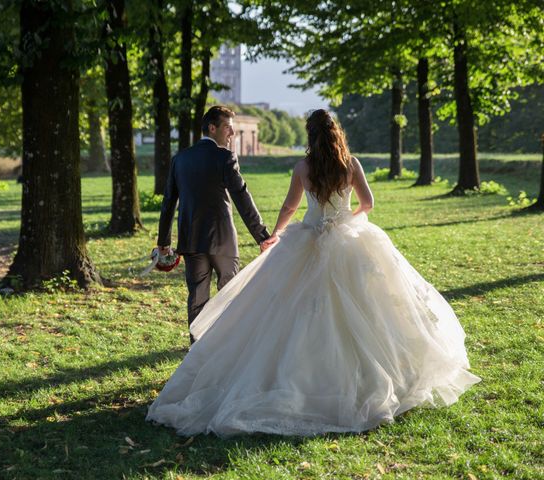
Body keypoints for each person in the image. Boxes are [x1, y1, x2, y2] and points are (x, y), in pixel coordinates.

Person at [146, 109, 480, 437]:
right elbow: (369, 202)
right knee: (366, 307)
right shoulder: (351, 164)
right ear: (336, 133)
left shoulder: (303, 167)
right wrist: (349, 219)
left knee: (292, 309)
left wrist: (273, 235)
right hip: (348, 238)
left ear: (311, 136)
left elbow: (291, 206)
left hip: (308, 236)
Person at [157, 106, 271, 344]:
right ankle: (227, 348)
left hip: (191, 240)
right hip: (223, 240)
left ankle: (197, 351)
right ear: (212, 127)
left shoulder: (180, 159)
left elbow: (169, 202)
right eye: (228, 127)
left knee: (197, 299)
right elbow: (242, 197)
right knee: (229, 296)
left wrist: (164, 243)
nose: (232, 133)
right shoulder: (224, 157)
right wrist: (262, 235)